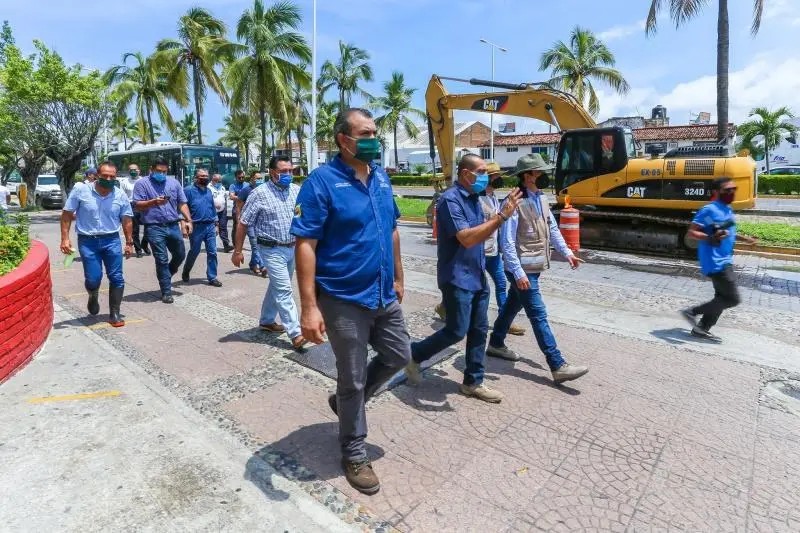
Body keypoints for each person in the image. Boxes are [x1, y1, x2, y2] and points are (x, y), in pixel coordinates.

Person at [292, 108, 411, 495]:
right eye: (365, 133)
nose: (374, 139)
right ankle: (354, 451)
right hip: (342, 297)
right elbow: (306, 244)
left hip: (382, 292)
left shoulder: (380, 178)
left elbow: (391, 229)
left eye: (375, 132)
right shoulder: (321, 183)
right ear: (344, 139)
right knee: (353, 377)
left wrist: (398, 275)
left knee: (398, 354)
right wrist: (309, 306)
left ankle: (346, 405)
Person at [406, 154, 522, 404]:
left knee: (479, 330)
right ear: (465, 173)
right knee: (456, 330)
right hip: (457, 276)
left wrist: (503, 217)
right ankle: (413, 354)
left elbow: (484, 237)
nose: (485, 177)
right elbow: (467, 238)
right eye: (480, 172)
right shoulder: (450, 201)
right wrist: (501, 217)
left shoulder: (475, 199)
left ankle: (473, 382)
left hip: (478, 274)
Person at [485, 154, 590, 384]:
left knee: (512, 305)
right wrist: (518, 272)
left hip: (534, 267)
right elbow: (507, 242)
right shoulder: (513, 203)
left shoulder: (541, 198)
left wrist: (568, 253)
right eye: (539, 172)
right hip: (521, 269)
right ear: (527, 176)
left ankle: (495, 343)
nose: (544, 176)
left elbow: (552, 228)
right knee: (538, 314)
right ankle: (557, 364)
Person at [234, 156, 305, 349]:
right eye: (283, 172)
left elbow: (302, 217)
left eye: (290, 171)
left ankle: (266, 320)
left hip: (292, 247)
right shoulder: (259, 193)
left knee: (277, 286)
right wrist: (238, 251)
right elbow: (243, 223)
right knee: (284, 290)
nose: (288, 175)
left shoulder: (296, 191)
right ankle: (296, 333)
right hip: (271, 249)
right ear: (272, 172)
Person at [680, 177, 755, 342]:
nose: (731, 193)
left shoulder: (727, 209)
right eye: (727, 190)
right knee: (732, 299)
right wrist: (710, 237)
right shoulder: (709, 210)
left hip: (725, 259)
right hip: (715, 261)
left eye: (733, 189)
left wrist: (746, 239)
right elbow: (692, 232)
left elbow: (725, 230)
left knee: (721, 298)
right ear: (716, 192)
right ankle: (692, 311)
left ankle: (701, 328)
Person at [60, 161, 133, 327]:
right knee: (93, 278)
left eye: (112, 176)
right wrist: (65, 238)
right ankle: (92, 295)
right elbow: (66, 214)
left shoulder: (120, 194)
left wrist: (129, 242)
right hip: (88, 242)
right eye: (105, 175)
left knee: (117, 277)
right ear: (96, 176)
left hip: (112, 240)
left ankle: (114, 313)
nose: (108, 179)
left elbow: (127, 219)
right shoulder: (81, 190)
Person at [132, 156, 193, 304]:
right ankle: (166, 291)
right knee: (161, 259)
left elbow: (182, 203)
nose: (162, 174)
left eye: (164, 171)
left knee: (180, 254)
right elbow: (137, 205)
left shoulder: (174, 183)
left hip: (173, 225)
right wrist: (153, 202)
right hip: (154, 227)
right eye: (159, 171)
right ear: (151, 170)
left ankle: (168, 273)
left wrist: (188, 220)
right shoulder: (142, 184)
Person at [182, 168, 222, 287]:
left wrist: (216, 224)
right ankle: (186, 271)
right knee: (194, 251)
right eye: (202, 176)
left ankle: (212, 276)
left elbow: (212, 208)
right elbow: (183, 207)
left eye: (206, 176)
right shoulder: (188, 190)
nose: (205, 178)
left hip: (210, 225)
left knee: (212, 252)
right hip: (196, 226)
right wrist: (184, 224)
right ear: (196, 177)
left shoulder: (209, 191)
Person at [235, 170, 266, 276]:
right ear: (252, 179)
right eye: (257, 178)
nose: (259, 180)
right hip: (248, 221)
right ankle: (263, 266)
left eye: (260, 178)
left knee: (257, 244)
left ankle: (253, 264)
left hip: (260, 222)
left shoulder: (263, 189)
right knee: (255, 244)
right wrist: (238, 217)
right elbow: (239, 203)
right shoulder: (246, 190)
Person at [119, 163, 150, 258]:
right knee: (135, 230)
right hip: (131, 206)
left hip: (144, 204)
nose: (133, 171)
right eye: (131, 169)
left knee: (149, 227)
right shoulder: (124, 182)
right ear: (128, 171)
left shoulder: (144, 181)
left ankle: (144, 244)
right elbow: (122, 195)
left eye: (135, 169)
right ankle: (138, 249)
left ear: (139, 170)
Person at [210, 173, 233, 253]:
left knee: (223, 228)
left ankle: (226, 246)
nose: (219, 182)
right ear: (213, 180)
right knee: (212, 229)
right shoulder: (208, 188)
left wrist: (225, 207)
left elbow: (225, 198)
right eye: (217, 181)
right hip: (212, 212)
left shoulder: (222, 188)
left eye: (220, 181)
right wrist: (214, 206)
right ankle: (211, 246)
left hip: (222, 211)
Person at [229, 169, 246, 248]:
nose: (241, 179)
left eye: (243, 177)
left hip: (247, 209)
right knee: (236, 226)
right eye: (239, 178)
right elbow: (232, 196)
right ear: (236, 178)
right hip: (237, 209)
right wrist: (242, 198)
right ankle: (236, 244)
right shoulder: (233, 186)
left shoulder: (247, 185)